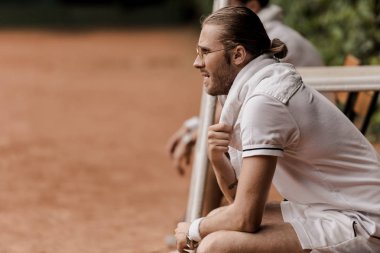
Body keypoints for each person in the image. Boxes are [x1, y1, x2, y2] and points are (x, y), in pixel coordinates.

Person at [174, 6, 380, 253]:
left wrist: (194, 229)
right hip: (330, 209)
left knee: (217, 246)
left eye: (205, 52)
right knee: (218, 219)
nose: (197, 62)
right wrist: (218, 159)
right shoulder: (260, 86)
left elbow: (245, 218)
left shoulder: (265, 102)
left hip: (365, 221)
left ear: (238, 54)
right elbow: (239, 203)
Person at [167, 0, 327, 177]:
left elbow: (227, 115)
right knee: (216, 144)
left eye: (229, 5)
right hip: (301, 133)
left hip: (313, 143)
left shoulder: (262, 37)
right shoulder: (256, 35)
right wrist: (196, 126)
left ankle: (210, 206)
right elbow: (230, 105)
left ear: (251, 7)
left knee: (218, 143)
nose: (222, 12)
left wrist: (197, 132)